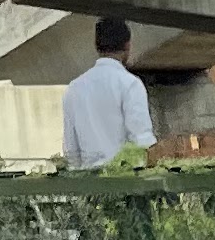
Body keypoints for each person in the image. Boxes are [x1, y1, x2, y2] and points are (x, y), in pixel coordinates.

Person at [60, 16, 156, 172]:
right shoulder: (129, 83)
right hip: (125, 178)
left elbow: (71, 151)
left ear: (96, 46)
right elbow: (141, 140)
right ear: (128, 45)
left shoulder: (74, 89)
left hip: (90, 184)